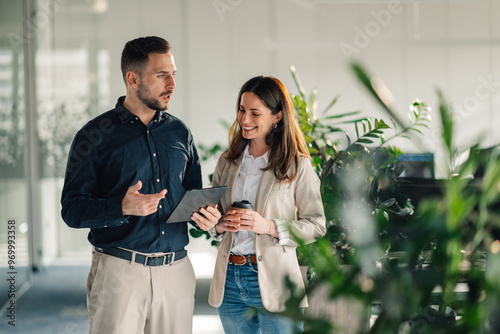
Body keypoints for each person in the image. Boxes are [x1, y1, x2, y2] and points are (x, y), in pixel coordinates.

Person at [60, 36, 221, 334]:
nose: (172, 83)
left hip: (176, 272)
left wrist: (208, 219)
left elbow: (194, 201)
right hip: (119, 272)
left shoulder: (179, 133)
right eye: (161, 75)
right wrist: (120, 206)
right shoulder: (93, 136)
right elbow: (72, 210)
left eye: (173, 74)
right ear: (132, 78)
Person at [206, 76, 327, 333]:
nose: (245, 120)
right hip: (229, 282)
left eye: (255, 113)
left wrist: (269, 226)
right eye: (241, 110)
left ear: (277, 116)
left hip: (277, 282)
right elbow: (214, 222)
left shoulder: (297, 165)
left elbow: (316, 225)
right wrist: (218, 224)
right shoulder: (227, 162)